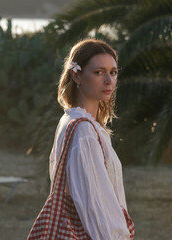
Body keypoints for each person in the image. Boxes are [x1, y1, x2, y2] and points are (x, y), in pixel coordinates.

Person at [49, 38, 133, 239]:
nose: (109, 81)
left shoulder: (70, 119)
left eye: (113, 72)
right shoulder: (84, 132)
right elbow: (95, 207)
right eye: (98, 72)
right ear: (76, 75)